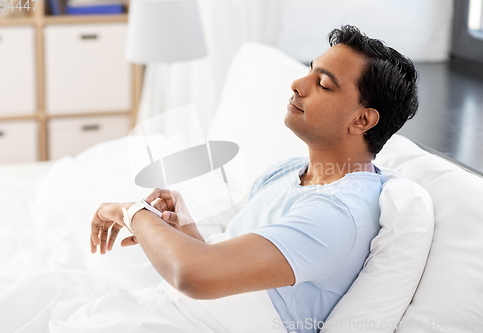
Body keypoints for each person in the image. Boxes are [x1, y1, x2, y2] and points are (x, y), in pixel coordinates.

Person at [90, 25, 418, 332]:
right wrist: (187, 234)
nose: (297, 85)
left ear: (362, 120)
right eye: (309, 72)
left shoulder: (337, 215)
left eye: (323, 84)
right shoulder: (287, 172)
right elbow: (230, 276)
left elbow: (195, 276)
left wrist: (132, 213)